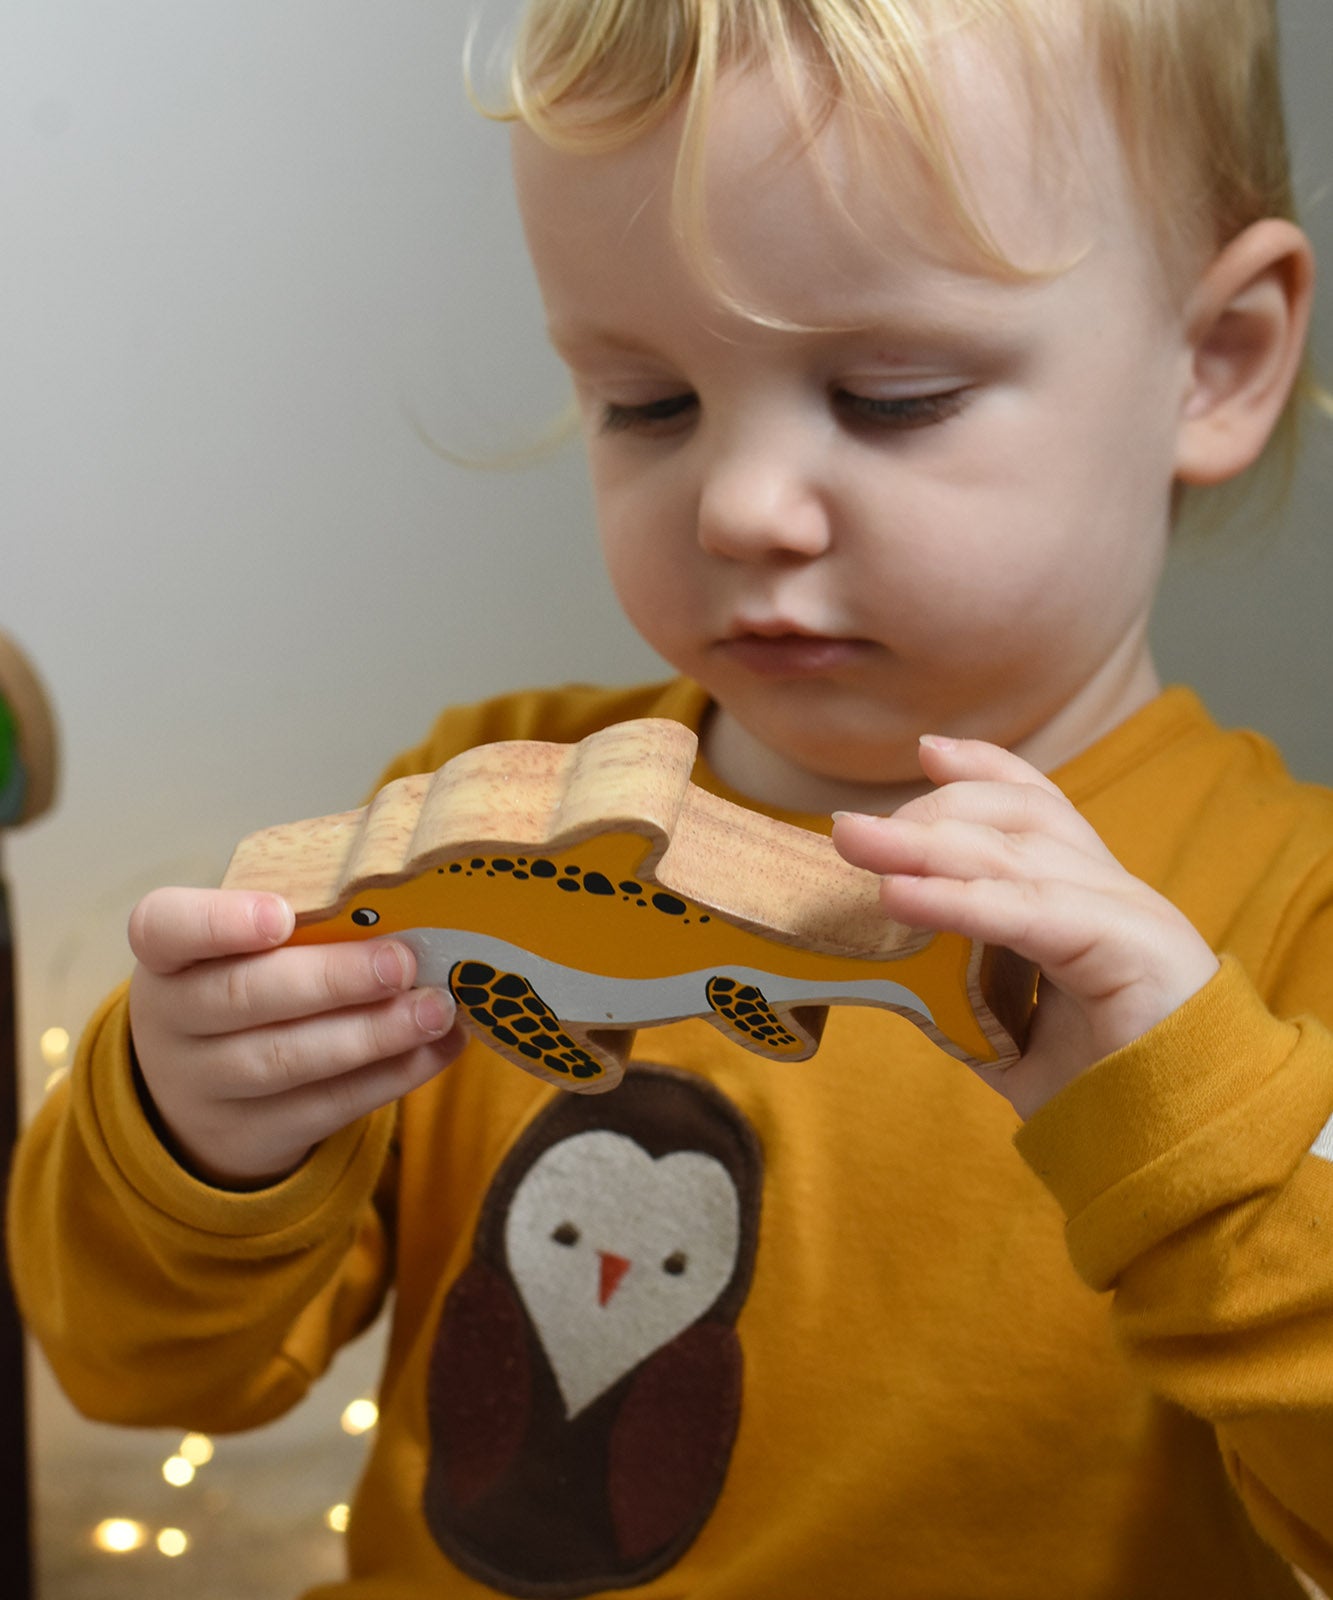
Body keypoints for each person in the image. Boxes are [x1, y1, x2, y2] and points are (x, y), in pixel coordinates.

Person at [9, 1, 1333, 1595]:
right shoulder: (484, 805)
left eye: (891, 394)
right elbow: (152, 1373)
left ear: (1219, 360)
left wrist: (1202, 1139)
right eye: (644, 403)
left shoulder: (1290, 915)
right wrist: (189, 1131)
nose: (741, 504)